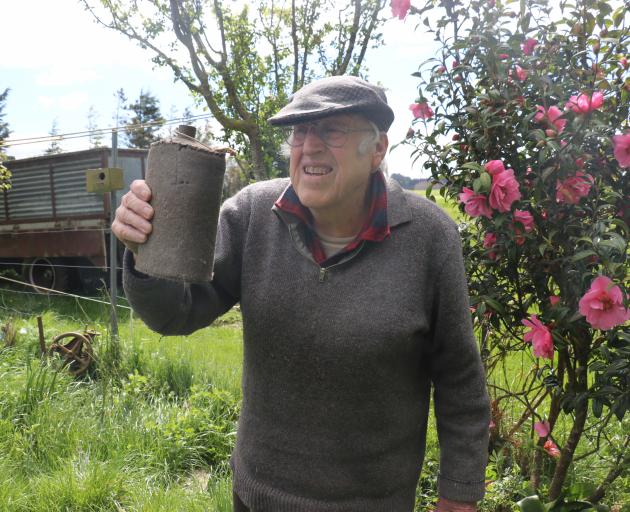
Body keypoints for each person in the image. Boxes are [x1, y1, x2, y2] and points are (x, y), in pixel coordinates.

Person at [113, 75, 490, 512]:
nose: (310, 146)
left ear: (378, 150)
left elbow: (459, 381)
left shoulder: (428, 236)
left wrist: (459, 497)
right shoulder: (252, 215)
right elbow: (174, 315)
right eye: (300, 131)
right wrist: (146, 252)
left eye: (332, 131)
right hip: (259, 498)